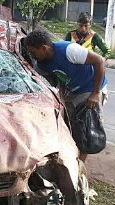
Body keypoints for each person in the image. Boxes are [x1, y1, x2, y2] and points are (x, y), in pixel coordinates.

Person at [23, 29, 107, 162]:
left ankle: (79, 167)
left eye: (33, 52)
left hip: (90, 87)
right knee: (69, 127)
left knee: (83, 131)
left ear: (44, 48)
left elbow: (100, 61)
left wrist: (96, 93)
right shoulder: (41, 64)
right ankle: (72, 159)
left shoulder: (69, 50)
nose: (32, 56)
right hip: (72, 91)